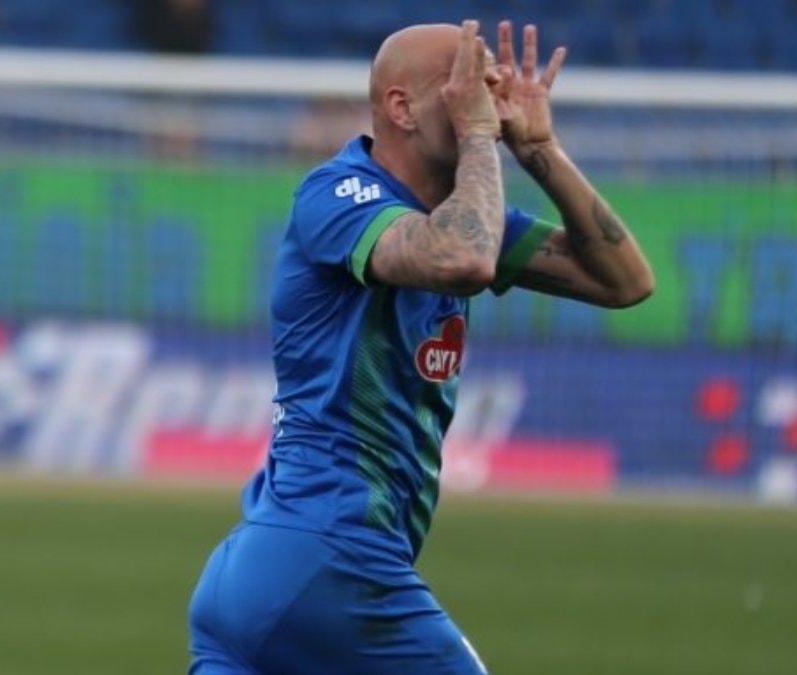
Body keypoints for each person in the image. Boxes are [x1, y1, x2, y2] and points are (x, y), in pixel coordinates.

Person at [186, 19, 655, 675]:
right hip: (329, 557)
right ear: (401, 108)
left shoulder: (470, 222)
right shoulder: (337, 193)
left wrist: (539, 148)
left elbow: (626, 282)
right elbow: (463, 259)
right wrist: (480, 138)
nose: (484, 98)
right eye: (464, 83)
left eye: (487, 82)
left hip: (274, 570)